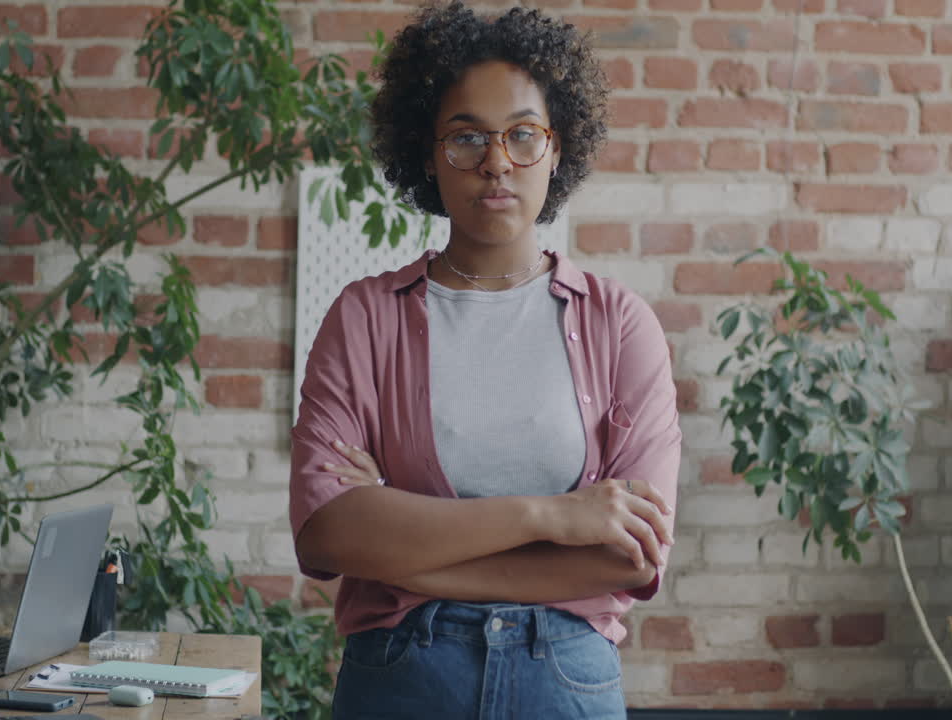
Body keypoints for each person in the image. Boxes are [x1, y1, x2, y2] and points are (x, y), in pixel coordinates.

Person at [289, 2, 682, 717]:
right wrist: (551, 516)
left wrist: (408, 550)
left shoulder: (620, 324)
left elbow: (630, 556)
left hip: (564, 682)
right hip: (404, 678)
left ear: (558, 148)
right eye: (466, 136)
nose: (496, 161)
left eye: (522, 135)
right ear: (428, 153)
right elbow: (329, 531)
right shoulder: (365, 317)